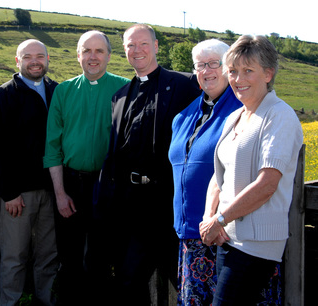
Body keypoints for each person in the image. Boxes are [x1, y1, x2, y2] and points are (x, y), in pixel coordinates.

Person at [97, 24, 201, 305]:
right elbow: (114, 154)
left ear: (155, 47)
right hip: (131, 205)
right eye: (130, 45)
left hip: (169, 202)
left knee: (183, 281)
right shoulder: (118, 97)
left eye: (143, 44)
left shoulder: (185, 84)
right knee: (129, 280)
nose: (137, 50)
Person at [199, 35, 303, 305]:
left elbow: (267, 184)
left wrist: (219, 219)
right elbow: (218, 176)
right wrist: (209, 217)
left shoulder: (279, 115)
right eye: (232, 71)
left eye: (248, 71)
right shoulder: (235, 117)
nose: (237, 79)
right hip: (226, 239)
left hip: (256, 245)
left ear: (268, 74)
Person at [43, 30, 130, 305]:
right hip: (71, 185)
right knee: (69, 258)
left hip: (108, 186)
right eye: (87, 51)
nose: (93, 57)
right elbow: (52, 147)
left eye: (99, 51)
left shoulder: (125, 89)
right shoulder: (63, 91)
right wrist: (59, 193)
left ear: (108, 55)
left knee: (102, 258)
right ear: (78, 55)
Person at [168, 39, 242, 305]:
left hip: (227, 235)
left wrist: (222, 220)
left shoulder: (242, 110)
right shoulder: (184, 117)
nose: (207, 70)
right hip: (190, 232)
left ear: (229, 67)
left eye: (214, 63)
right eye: (200, 65)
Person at [0, 39, 59, 305]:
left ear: (48, 58)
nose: (35, 61)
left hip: (52, 192)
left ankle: (45, 302)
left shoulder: (56, 91)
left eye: (40, 56)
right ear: (17, 61)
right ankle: (9, 303)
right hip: (17, 196)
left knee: (48, 255)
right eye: (28, 56)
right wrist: (9, 193)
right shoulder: (5, 94)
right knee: (14, 257)